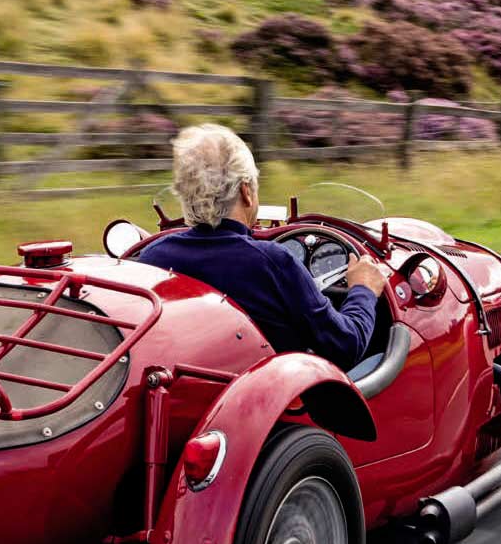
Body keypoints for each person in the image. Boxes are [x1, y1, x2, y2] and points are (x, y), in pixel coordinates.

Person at [137, 124, 386, 369]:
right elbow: (346, 346)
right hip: (280, 403)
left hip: (185, 392)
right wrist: (363, 290)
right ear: (246, 191)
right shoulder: (272, 262)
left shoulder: (152, 258)